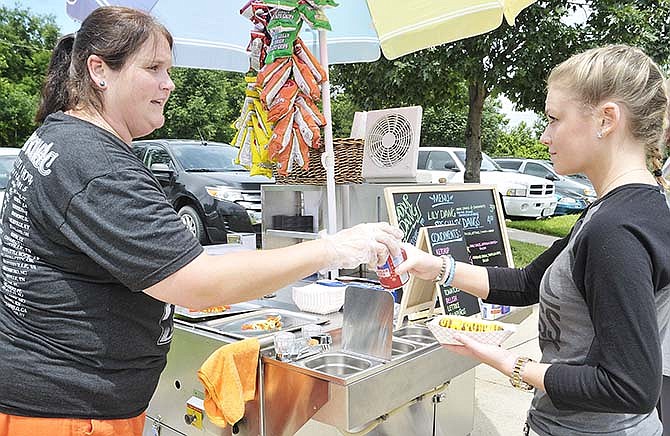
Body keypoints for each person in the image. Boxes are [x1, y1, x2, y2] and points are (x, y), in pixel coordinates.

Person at [0, 6, 403, 436]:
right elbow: (194, 282)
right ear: (99, 70)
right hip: (69, 410)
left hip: (54, 393)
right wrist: (332, 248)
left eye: (168, 70)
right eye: (153, 68)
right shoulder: (94, 162)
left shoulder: (60, 135)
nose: (168, 84)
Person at [399, 44, 670, 435]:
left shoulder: (617, 228)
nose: (544, 136)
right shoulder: (623, 207)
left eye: (554, 119)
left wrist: (510, 364)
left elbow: (628, 386)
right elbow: (528, 284)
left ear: (607, 119)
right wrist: (435, 266)